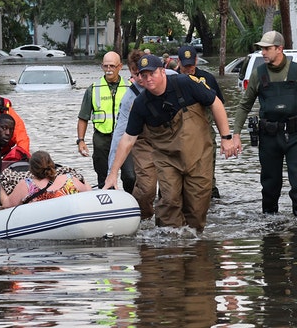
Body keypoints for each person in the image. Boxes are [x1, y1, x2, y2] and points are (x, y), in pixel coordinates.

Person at [104, 54, 237, 232]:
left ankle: (194, 249)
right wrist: (112, 173)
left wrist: (226, 137)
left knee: (197, 208)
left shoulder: (186, 83)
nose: (148, 79)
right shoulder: (139, 104)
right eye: (144, 75)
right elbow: (127, 138)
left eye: (152, 74)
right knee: (169, 202)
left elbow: (216, 103)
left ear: (163, 72)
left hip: (198, 154)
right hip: (167, 158)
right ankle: (168, 250)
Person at [232, 30, 297, 216]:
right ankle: (270, 229)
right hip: (269, 138)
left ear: (279, 49)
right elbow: (243, 106)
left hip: (296, 137)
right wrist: (236, 134)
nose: (263, 52)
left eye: (267, 48)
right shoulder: (258, 74)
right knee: (270, 186)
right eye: (261, 48)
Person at [108, 50, 158, 219]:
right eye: (136, 74)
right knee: (144, 187)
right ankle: (140, 218)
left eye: (144, 74)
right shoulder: (129, 98)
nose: (141, 79)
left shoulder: (170, 80)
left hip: (169, 139)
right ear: (129, 71)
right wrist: (111, 172)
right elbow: (119, 135)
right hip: (143, 142)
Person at [77, 51, 134, 190]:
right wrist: (81, 140)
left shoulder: (130, 88)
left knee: (130, 176)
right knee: (104, 178)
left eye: (112, 66)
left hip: (124, 139)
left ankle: (130, 199)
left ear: (120, 66)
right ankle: (109, 204)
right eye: (106, 66)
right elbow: (83, 117)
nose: (108, 70)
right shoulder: (93, 89)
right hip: (102, 139)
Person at [176, 45, 225, 199]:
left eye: (192, 65)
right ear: (178, 62)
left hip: (205, 133)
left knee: (207, 176)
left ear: (196, 61)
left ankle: (211, 201)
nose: (189, 69)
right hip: (179, 134)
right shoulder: (170, 79)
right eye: (185, 66)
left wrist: (226, 137)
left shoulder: (207, 79)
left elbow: (220, 107)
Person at [0, 150, 90, 209]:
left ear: (31, 169)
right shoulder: (69, 179)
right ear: (52, 164)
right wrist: (83, 180)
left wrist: (1, 186)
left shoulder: (26, 185)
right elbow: (88, 193)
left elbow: (6, 205)